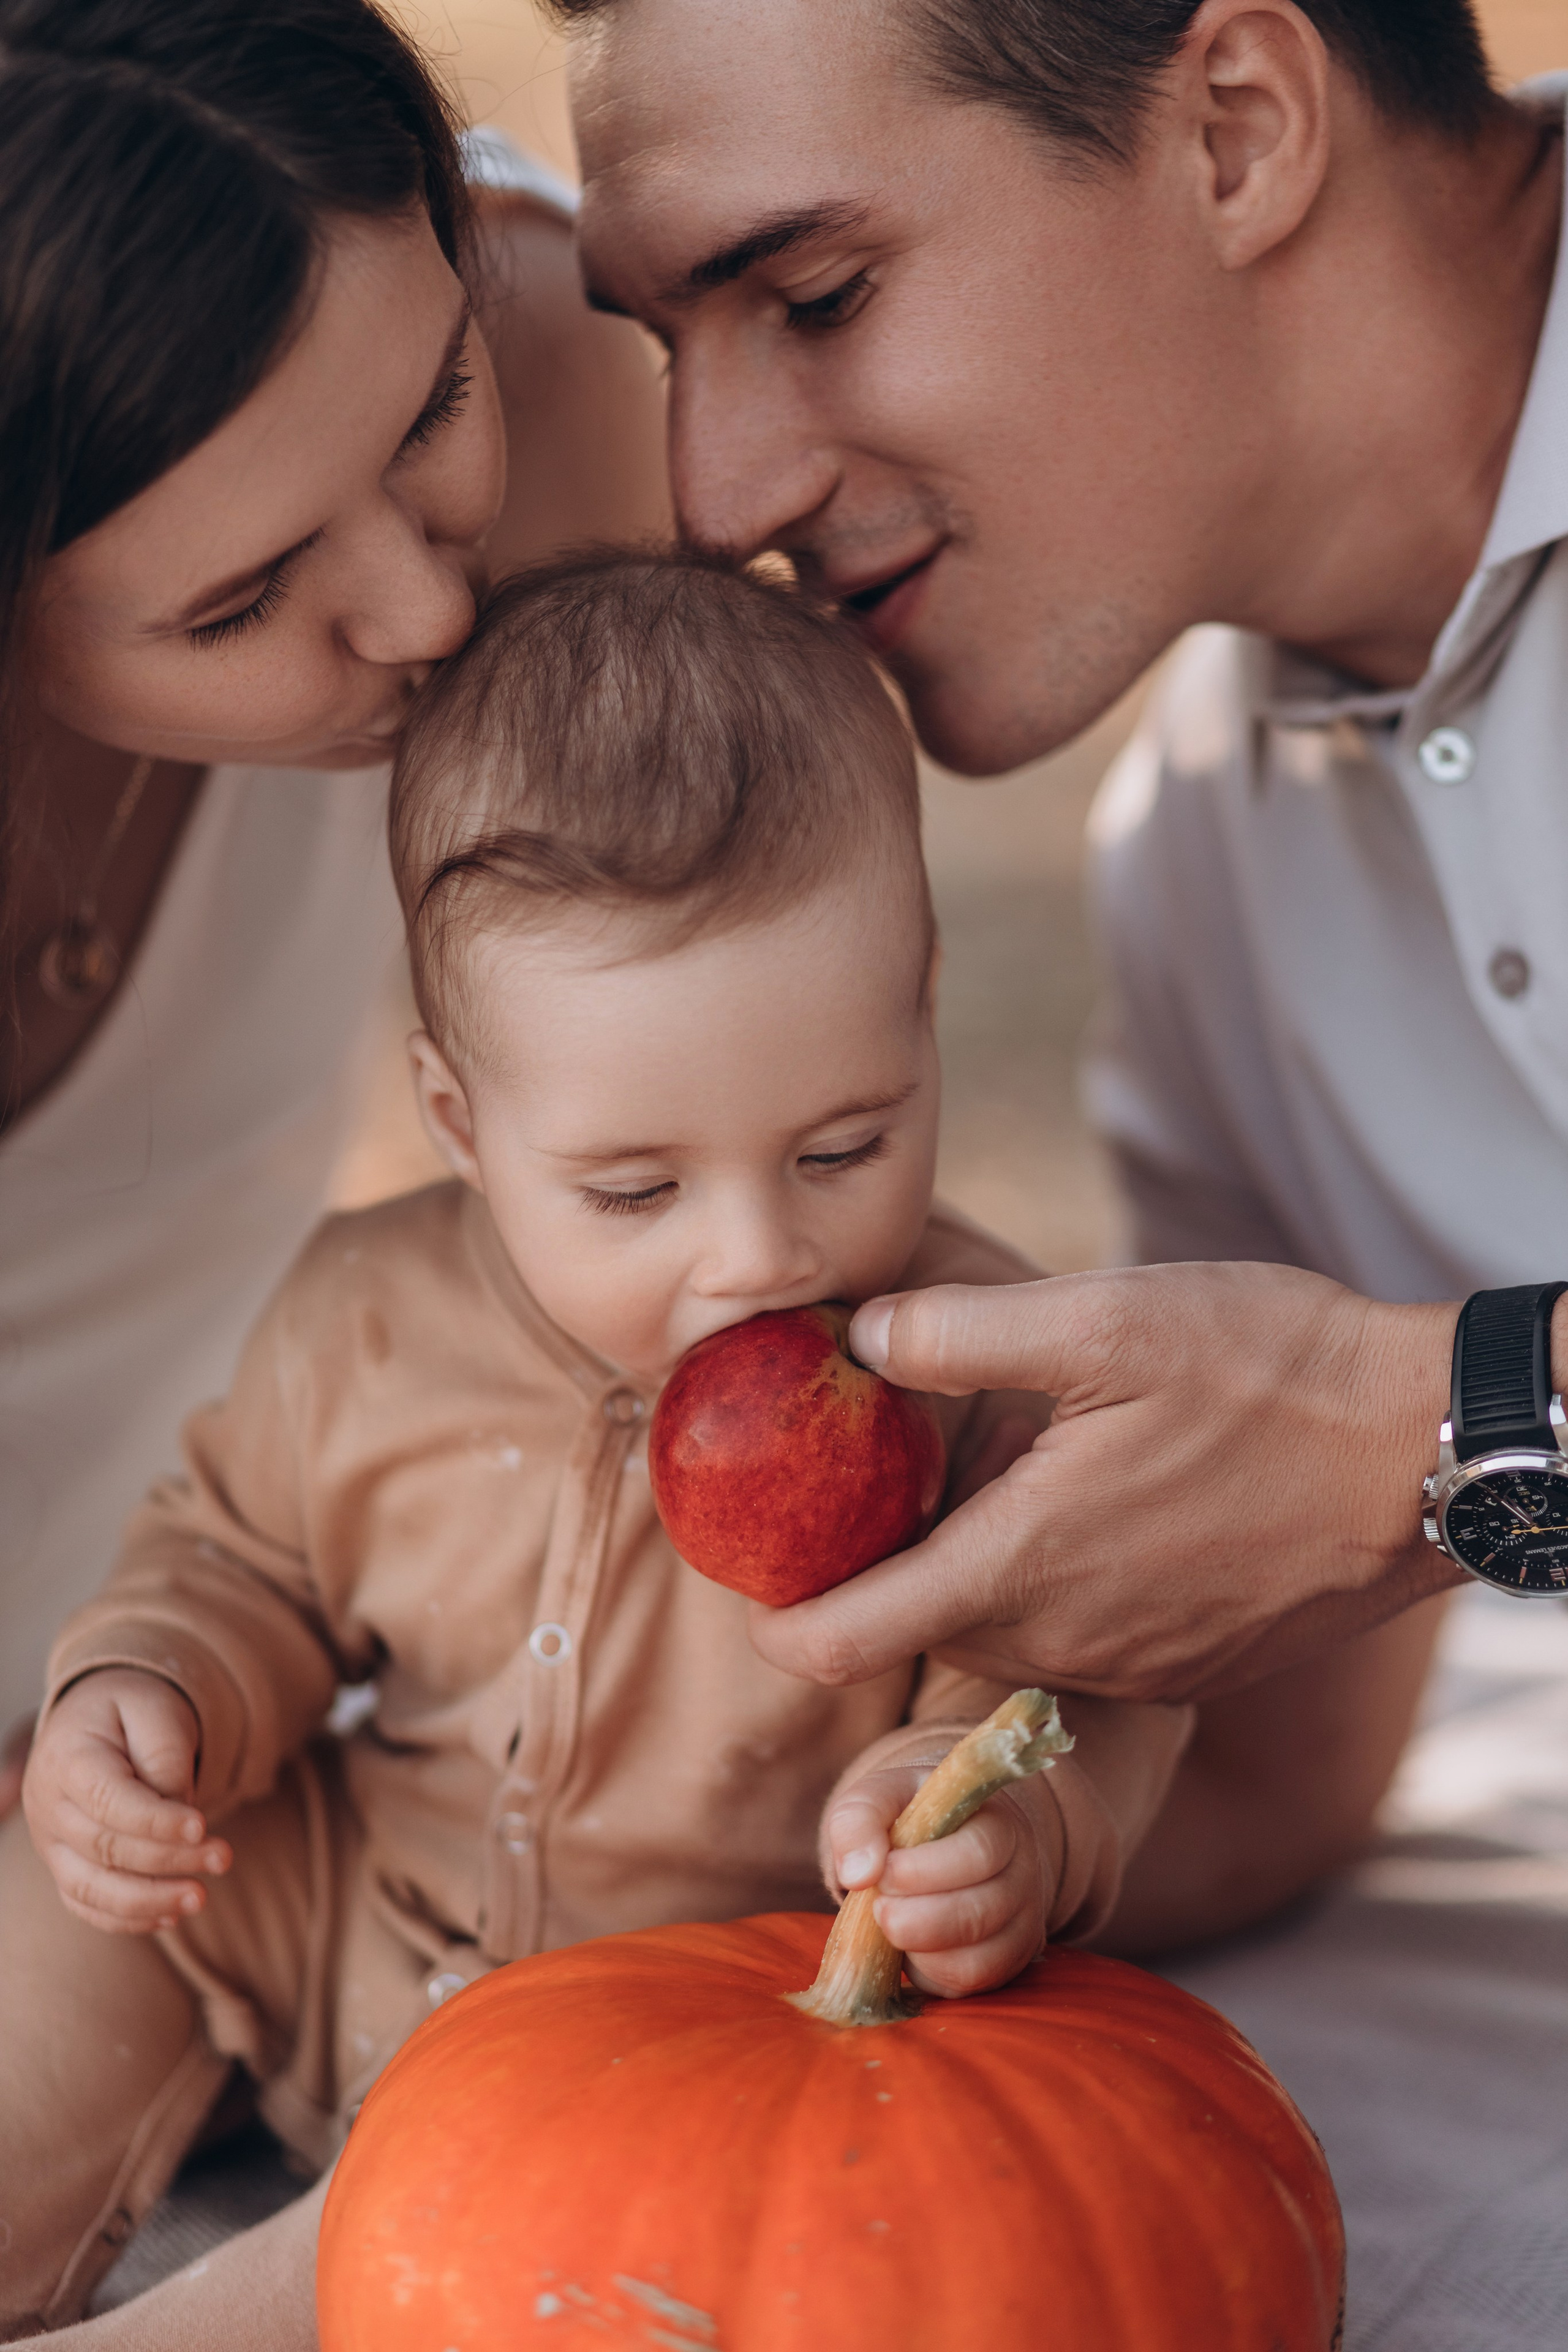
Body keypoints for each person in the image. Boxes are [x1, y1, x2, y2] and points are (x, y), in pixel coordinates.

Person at [2, 550, 1200, 2343]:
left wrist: (995, 1818)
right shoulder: (368, 1319)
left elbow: (1090, 1671)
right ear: (458, 1119)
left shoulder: (974, 1379)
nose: (758, 1254)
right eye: (634, 1187)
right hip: (345, 1911)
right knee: (75, 1900)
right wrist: (153, 1696)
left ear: (928, 1001)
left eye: (847, 1144)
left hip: (688, 2025)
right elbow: (234, 1556)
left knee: (450, 2254)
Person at [557, 0, 1568, 1701]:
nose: (714, 501)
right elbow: (1284, 1728)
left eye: (817, 298)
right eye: (672, 349)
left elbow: (1370, 1484)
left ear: (1234, 131)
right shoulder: (1204, 860)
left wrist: (1436, 1429)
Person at [0, 0, 668, 1800]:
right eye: (238, 604)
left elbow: (705, 1144)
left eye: (430, 402)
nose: (429, 616)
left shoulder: (556, 376)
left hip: (225, 1680)